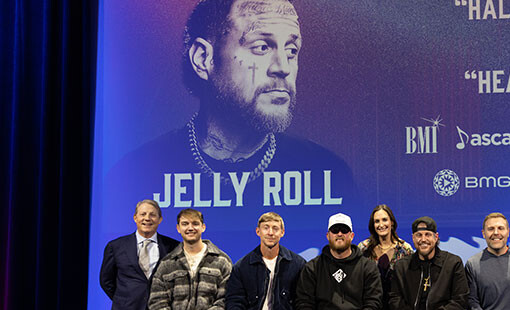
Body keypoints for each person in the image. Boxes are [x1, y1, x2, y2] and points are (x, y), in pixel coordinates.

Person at [105, 0, 357, 232]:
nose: (282, 67)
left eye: (291, 50)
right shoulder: (136, 172)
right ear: (203, 59)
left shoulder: (331, 173)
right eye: (261, 47)